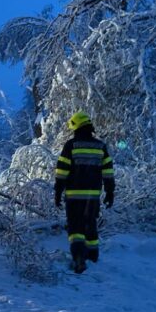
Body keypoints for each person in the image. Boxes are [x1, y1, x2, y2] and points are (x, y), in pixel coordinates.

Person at [54, 111, 115, 273]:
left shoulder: (71, 145)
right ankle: (93, 256)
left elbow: (62, 172)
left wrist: (57, 192)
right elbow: (108, 172)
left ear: (76, 127)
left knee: (75, 227)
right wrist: (110, 192)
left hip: (74, 195)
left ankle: (79, 258)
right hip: (93, 195)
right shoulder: (100, 146)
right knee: (90, 224)